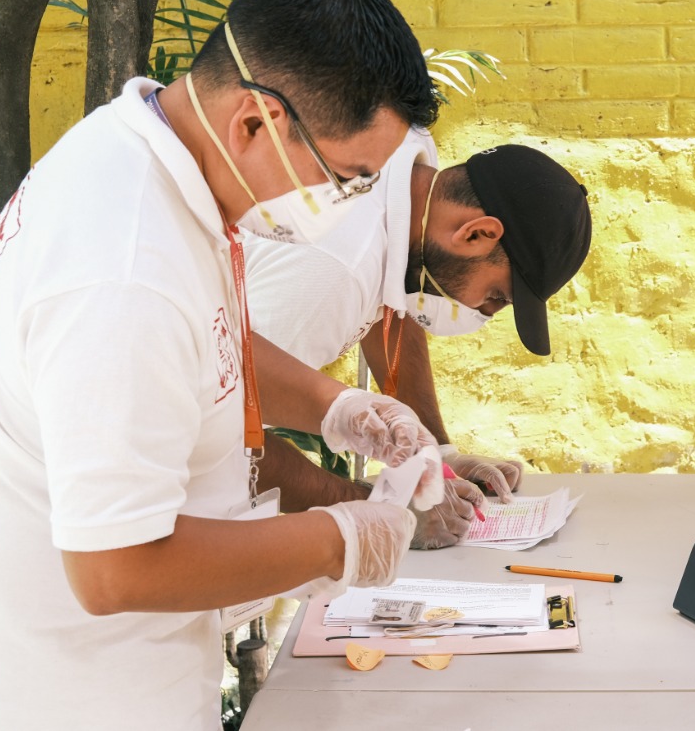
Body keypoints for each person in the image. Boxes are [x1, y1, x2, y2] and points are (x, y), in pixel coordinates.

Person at [0, 0, 450, 729]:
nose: (350, 203)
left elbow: (205, 335)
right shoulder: (121, 268)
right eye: (346, 178)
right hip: (65, 697)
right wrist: (334, 537)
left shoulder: (150, 157)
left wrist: (334, 405)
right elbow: (114, 568)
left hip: (128, 669)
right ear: (256, 122)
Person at [243, 136, 594, 548]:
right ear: (477, 234)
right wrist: (374, 509)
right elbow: (225, 435)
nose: (482, 313)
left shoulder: (411, 196)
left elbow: (390, 305)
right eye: (496, 297)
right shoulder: (335, 270)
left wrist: (438, 459)